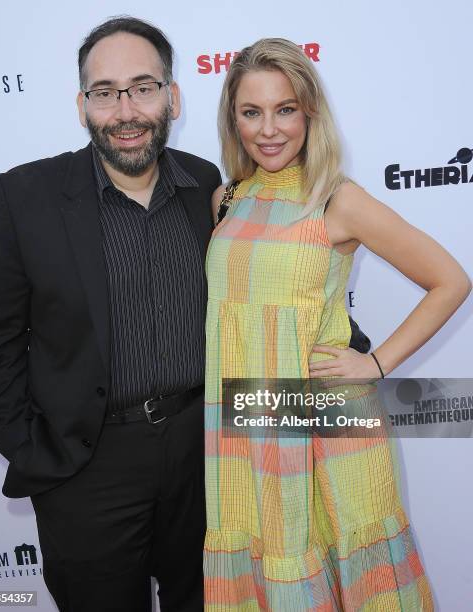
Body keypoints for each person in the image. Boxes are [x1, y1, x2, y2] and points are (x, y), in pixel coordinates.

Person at [203, 38, 471, 611]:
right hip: (246, 420)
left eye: (286, 109)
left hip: (325, 416)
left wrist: (375, 364)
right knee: (270, 550)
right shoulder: (226, 200)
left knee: (345, 562)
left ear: (310, 113)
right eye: (252, 112)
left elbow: (451, 280)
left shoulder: (336, 199)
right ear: (233, 118)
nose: (269, 129)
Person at [0, 16, 221, 612]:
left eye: (142, 87)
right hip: (87, 467)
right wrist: (29, 448)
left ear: (173, 96)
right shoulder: (23, 196)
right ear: (82, 105)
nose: (125, 110)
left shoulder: (206, 186)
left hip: (203, 459)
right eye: (105, 92)